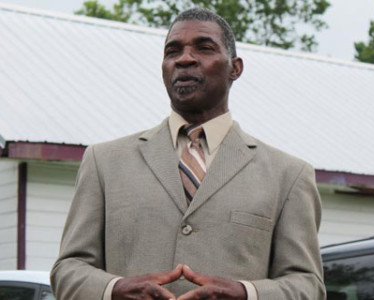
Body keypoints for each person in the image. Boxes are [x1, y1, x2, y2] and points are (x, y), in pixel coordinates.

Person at [51, 8, 326, 300]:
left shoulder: (289, 176)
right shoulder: (103, 162)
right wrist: (114, 289)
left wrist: (247, 294)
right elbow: (69, 269)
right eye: (173, 51)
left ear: (235, 68)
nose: (184, 58)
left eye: (204, 48)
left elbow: (307, 285)